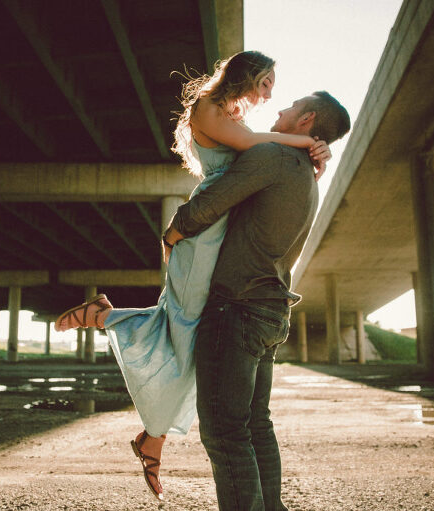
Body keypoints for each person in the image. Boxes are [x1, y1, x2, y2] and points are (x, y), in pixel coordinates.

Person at [54, 51, 331, 500]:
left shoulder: (269, 149)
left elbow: (252, 152)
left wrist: (311, 144)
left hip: (222, 246)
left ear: (308, 119)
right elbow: (249, 149)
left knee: (189, 340)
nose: (274, 100)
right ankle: (144, 411)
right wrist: (310, 143)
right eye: (266, 84)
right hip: (215, 241)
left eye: (286, 100)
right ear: (248, 75)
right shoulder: (221, 116)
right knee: (185, 329)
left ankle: (114, 338)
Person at [162, 91, 351, 510]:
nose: (280, 109)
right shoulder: (306, 173)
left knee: (225, 431)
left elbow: (211, 203)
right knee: (254, 425)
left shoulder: (272, 156)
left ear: (307, 120)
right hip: (270, 311)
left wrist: (173, 233)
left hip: (237, 307)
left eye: (292, 106)